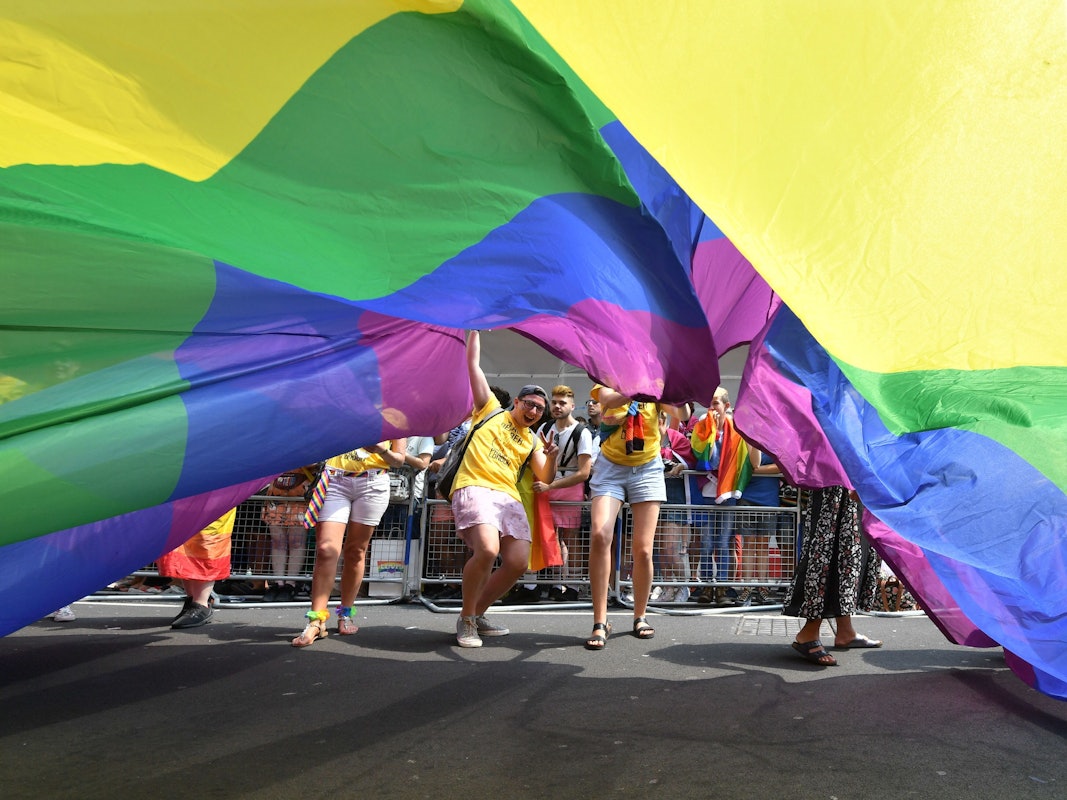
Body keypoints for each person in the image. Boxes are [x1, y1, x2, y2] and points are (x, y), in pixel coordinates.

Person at [449, 330, 557, 648]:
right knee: (487, 550)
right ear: (518, 401)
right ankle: (466, 619)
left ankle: (478, 613)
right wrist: (474, 328)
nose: (535, 411)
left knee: (517, 562)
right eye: (530, 404)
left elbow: (545, 477)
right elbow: (473, 363)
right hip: (475, 486)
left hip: (506, 497)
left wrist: (550, 458)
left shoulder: (532, 439)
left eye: (540, 409)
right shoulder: (491, 409)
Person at [584, 384, 689, 649]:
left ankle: (640, 616)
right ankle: (600, 621)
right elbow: (607, 399)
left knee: (643, 550)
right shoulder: (609, 378)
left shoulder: (656, 385)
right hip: (610, 467)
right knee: (600, 534)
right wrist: (641, 387)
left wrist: (680, 386)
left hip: (647, 468)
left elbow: (683, 412)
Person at [291, 438, 407, 647]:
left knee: (355, 551)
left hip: (373, 483)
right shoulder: (341, 405)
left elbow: (398, 461)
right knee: (326, 549)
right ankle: (316, 620)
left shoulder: (394, 412)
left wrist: (382, 450)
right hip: (335, 479)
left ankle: (346, 612)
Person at [785, 486, 883, 666]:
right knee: (830, 552)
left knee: (849, 554)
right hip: (835, 483)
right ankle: (808, 633)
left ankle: (846, 631)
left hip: (849, 483)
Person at [533, 385, 594, 602]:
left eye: (562, 403)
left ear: (572, 405)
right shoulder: (545, 428)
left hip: (568, 491)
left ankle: (573, 586)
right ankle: (554, 583)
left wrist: (551, 486)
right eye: (554, 402)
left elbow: (584, 472)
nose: (557, 406)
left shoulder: (582, 432)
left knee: (570, 539)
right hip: (546, 487)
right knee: (548, 536)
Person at [158, 508, 237, 629]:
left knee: (205, 542)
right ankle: (192, 601)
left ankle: (201, 604)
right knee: (183, 543)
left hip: (215, 499)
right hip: (190, 500)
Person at [653, 411, 695, 602]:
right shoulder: (647, 438)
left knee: (670, 547)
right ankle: (668, 586)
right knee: (661, 548)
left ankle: (683, 585)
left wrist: (681, 466)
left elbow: (691, 461)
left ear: (663, 420)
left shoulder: (676, 437)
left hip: (675, 493)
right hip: (654, 492)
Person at [261, 465, 317, 602]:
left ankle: (291, 583)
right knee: (277, 541)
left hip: (302, 491)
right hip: (277, 490)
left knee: (296, 542)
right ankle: (278, 582)